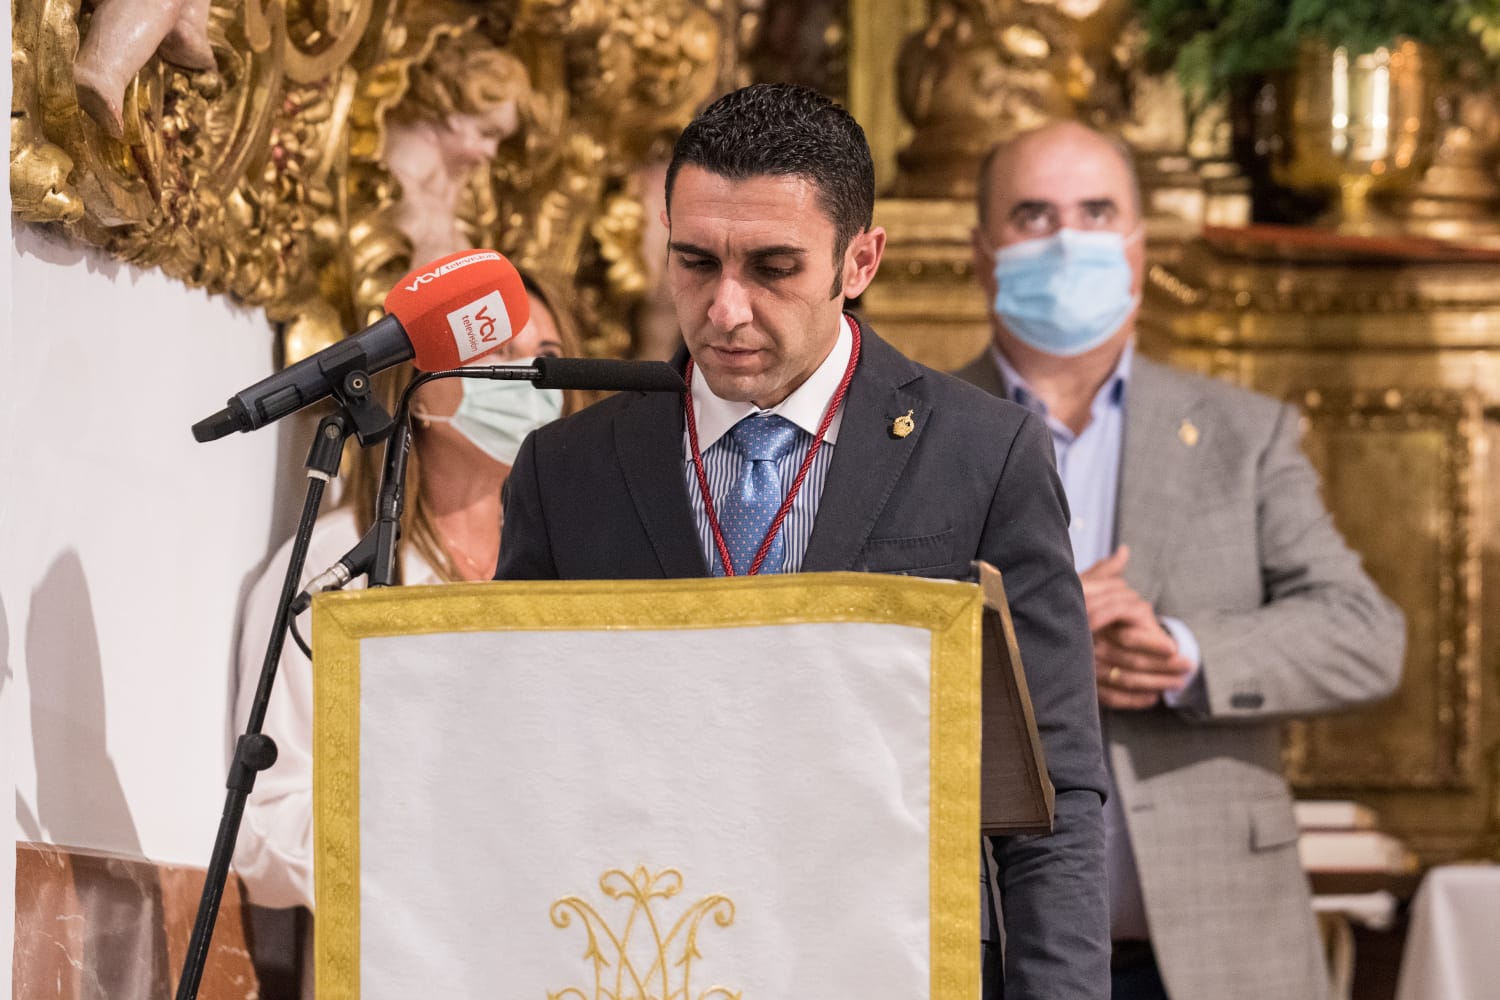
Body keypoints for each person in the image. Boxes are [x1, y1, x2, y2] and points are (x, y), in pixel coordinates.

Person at [497, 83, 1111, 999]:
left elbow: (1057, 793)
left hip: (898, 961)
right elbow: (523, 762)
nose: (725, 308)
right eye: (695, 262)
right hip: (644, 952)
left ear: (859, 261)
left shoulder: (984, 456)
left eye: (773, 267)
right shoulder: (566, 470)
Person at [955, 120, 1405, 1000]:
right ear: (982, 253)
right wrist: (1034, 639)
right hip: (993, 952)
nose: (1068, 241)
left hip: (1215, 955)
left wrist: (1184, 653)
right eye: (1034, 215)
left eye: (1096, 213)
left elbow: (1366, 635)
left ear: (1138, 246)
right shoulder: (921, 429)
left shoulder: (1244, 433)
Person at [232, 272, 587, 911]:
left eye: (547, 357)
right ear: (415, 387)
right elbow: (270, 826)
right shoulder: (332, 568)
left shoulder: (580, 563)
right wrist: (435, 848)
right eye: (501, 354)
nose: (531, 380)